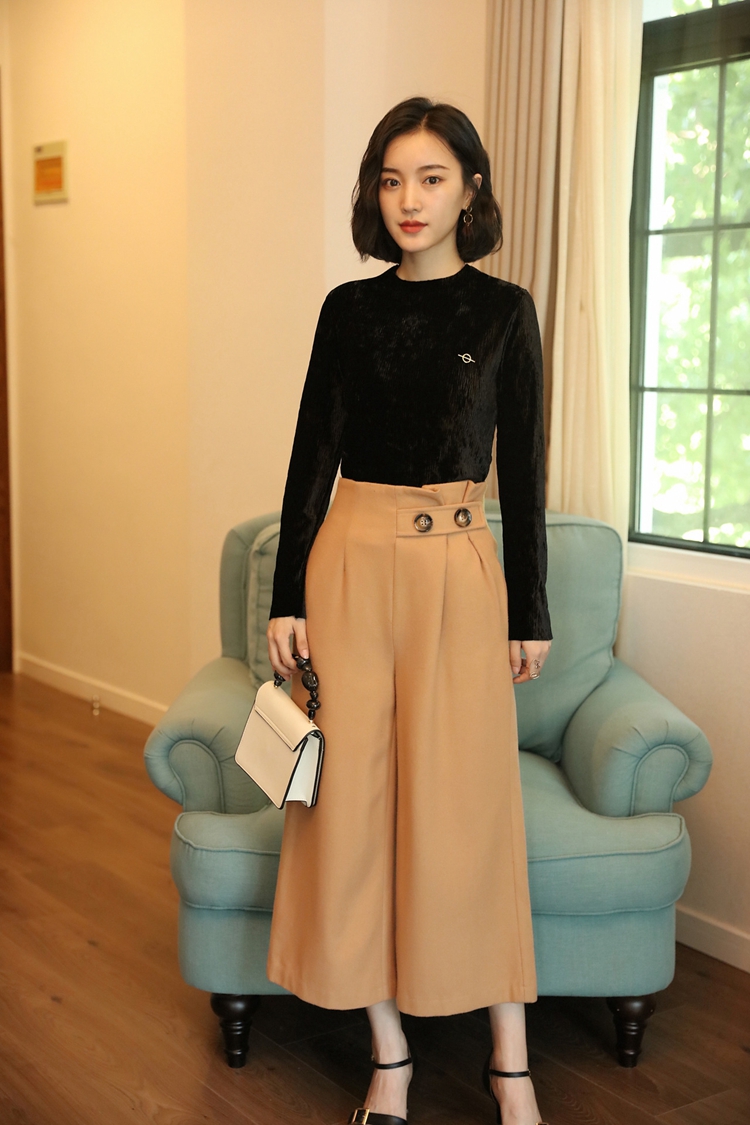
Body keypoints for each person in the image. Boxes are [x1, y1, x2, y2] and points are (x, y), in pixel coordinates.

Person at [265, 96, 552, 1125]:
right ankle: (389, 1055)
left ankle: (509, 1063)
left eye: (431, 178)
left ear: (470, 188)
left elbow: (525, 469)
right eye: (391, 180)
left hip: (459, 570)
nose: (409, 200)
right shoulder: (348, 310)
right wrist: (286, 593)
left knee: (467, 810)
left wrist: (530, 610)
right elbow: (311, 456)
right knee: (349, 811)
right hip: (349, 566)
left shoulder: (505, 311)